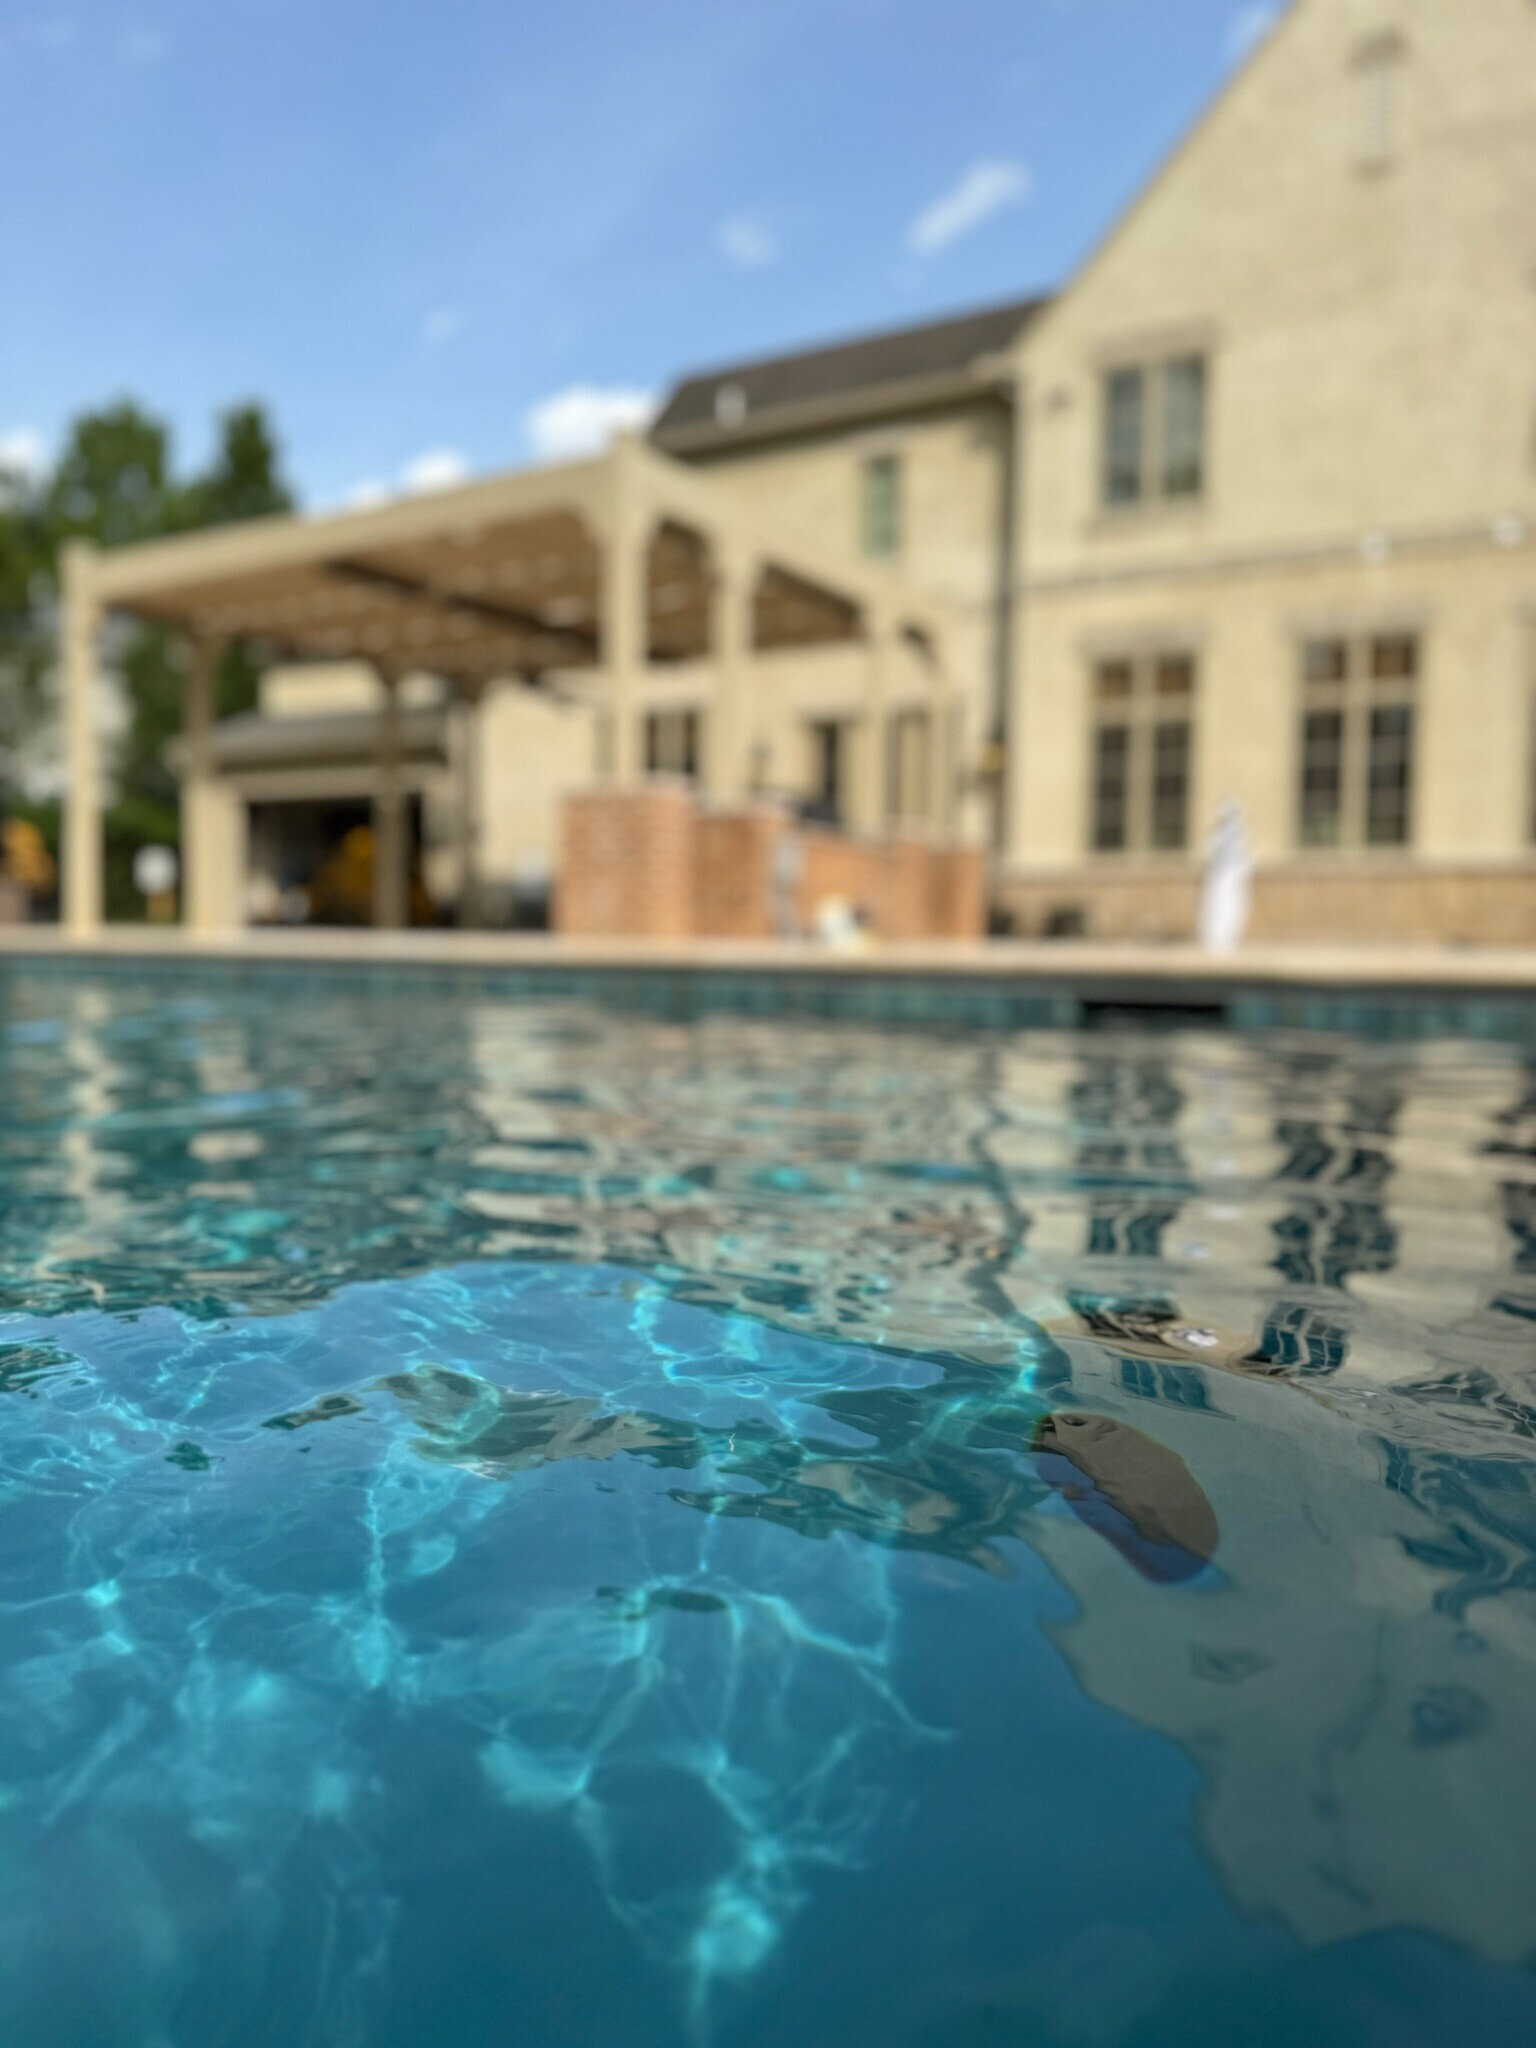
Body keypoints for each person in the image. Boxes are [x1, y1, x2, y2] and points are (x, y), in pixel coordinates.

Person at [1199, 797, 1252, 952]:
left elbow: (1245, 860)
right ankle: (1216, 939)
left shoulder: (1238, 836)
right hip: (1221, 878)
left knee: (1230, 908)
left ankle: (1225, 939)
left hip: (1231, 878)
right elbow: (1212, 855)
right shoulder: (1219, 836)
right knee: (1217, 908)